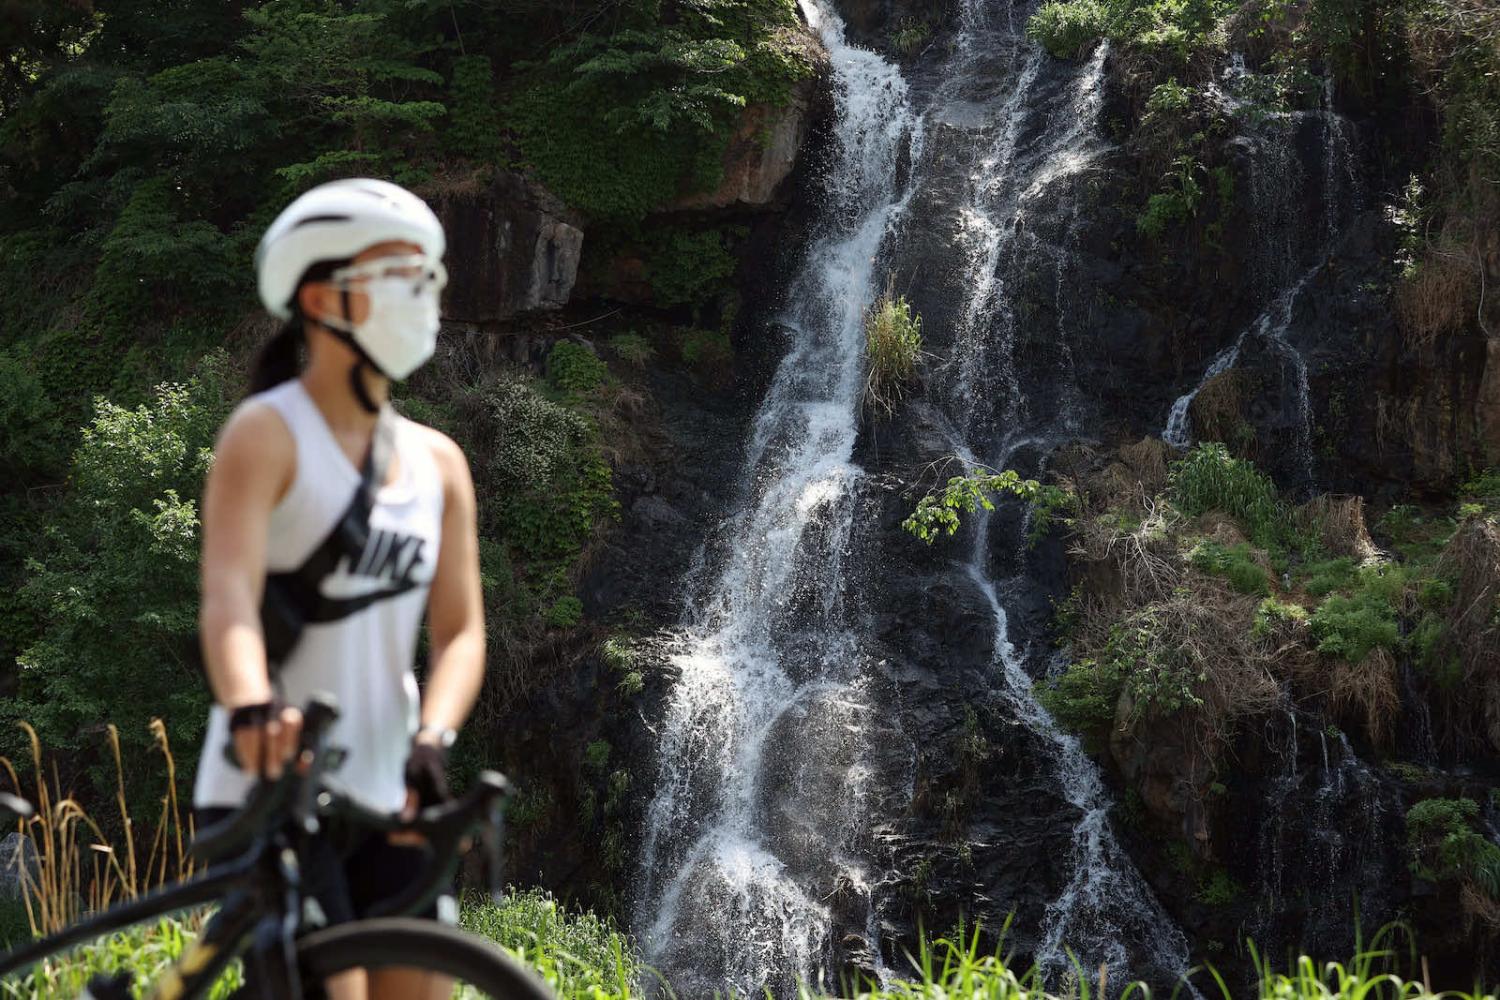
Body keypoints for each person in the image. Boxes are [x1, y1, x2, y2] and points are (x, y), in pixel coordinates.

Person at [192, 178, 485, 1000]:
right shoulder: (267, 433)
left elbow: (460, 632)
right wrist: (251, 707)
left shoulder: (440, 464)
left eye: (430, 275)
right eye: (400, 274)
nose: (424, 295)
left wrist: (435, 739)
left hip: (389, 788)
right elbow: (228, 602)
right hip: (271, 784)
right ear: (322, 297)